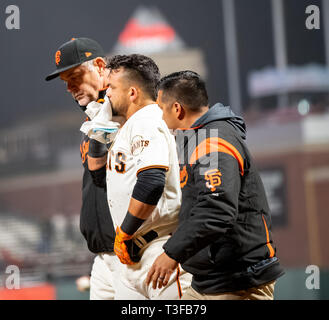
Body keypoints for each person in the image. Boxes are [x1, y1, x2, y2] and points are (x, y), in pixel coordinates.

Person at [146, 71, 285, 300]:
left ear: (177, 109)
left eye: (162, 109)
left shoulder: (213, 141)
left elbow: (216, 210)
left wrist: (172, 253)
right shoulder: (194, 137)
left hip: (238, 280)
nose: (160, 117)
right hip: (209, 281)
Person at [88, 54, 192, 299]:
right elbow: (97, 175)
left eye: (112, 88)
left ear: (132, 92)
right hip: (134, 255)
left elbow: (152, 182)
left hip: (158, 250)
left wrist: (124, 232)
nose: (107, 94)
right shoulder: (128, 126)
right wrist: (98, 127)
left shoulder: (147, 120)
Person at [45, 37, 122, 300]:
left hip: (133, 253)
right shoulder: (93, 119)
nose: (70, 87)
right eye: (65, 82)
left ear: (100, 66)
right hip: (103, 257)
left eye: (74, 76)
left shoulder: (127, 113)